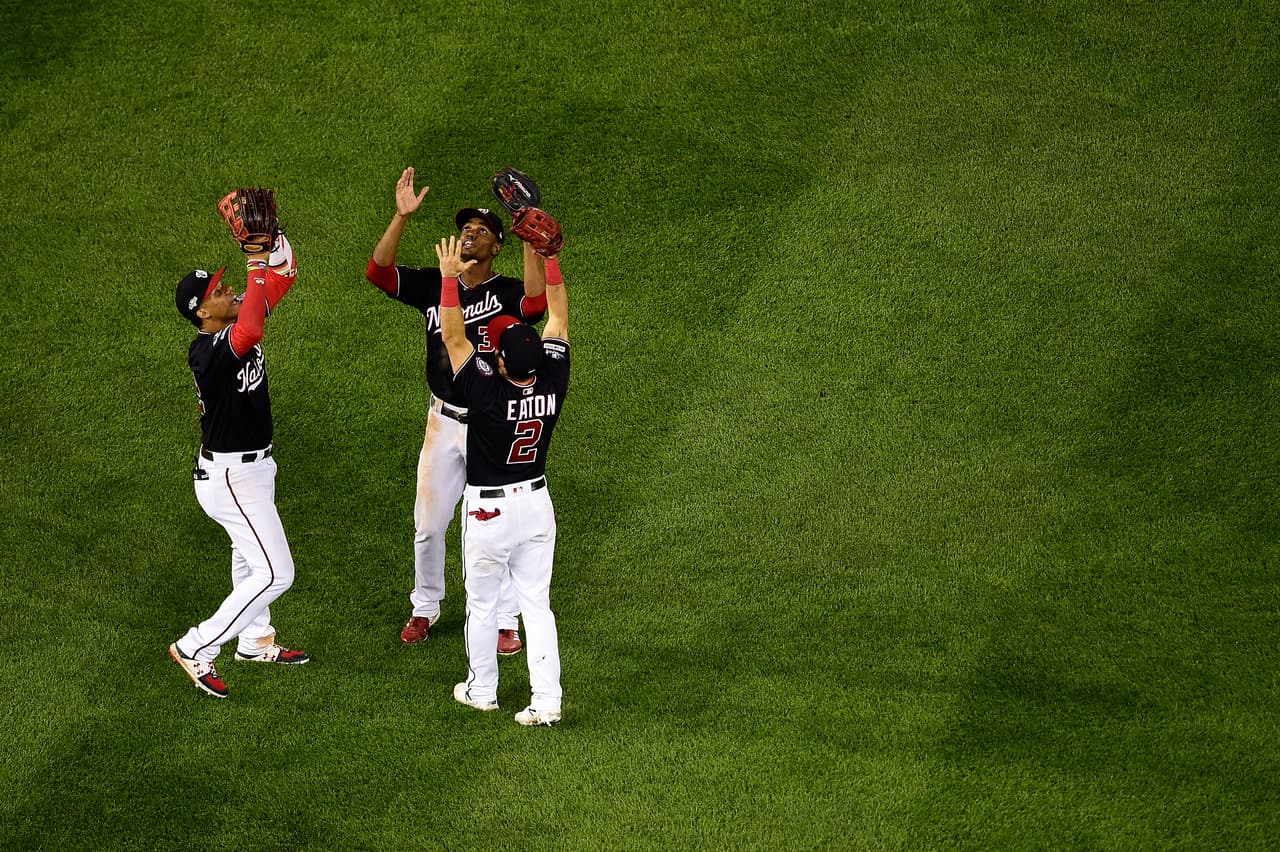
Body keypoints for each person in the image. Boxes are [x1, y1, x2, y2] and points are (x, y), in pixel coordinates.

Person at [366, 167, 546, 652]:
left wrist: (531, 236)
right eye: (466, 228)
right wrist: (400, 217)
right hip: (442, 421)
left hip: (491, 426)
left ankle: (506, 619)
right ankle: (425, 607)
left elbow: (536, 300)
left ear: (496, 248)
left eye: (482, 231)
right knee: (428, 525)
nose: (469, 233)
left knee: (492, 522)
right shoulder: (434, 284)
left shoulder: (505, 292)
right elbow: (378, 271)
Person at [435, 234, 570, 726]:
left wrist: (449, 279)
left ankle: (482, 690)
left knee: (482, 604)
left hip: (489, 511)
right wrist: (550, 259)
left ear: (504, 360)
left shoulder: (485, 391)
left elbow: (453, 337)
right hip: (536, 505)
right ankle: (548, 701)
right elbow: (557, 316)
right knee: (538, 607)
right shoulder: (554, 379)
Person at [168, 230, 310, 699]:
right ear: (203, 313)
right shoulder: (208, 352)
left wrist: (273, 239)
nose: (229, 290)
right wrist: (254, 264)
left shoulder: (231, 323)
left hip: (253, 470)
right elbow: (251, 330)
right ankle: (196, 646)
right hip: (230, 478)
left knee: (248, 559)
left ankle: (255, 641)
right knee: (275, 573)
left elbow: (284, 276)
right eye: (218, 292)